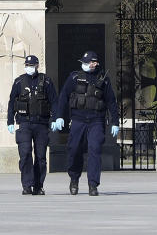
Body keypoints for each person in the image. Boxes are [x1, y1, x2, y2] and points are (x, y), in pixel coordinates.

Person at [53, 50, 119, 196]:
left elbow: (111, 101)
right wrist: (59, 116)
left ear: (95, 63)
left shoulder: (104, 79)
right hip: (78, 119)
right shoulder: (74, 77)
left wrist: (115, 121)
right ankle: (74, 178)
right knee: (74, 149)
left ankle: (93, 184)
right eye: (84, 62)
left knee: (94, 149)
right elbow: (63, 97)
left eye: (89, 62)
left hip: (96, 120)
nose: (86, 65)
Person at [7, 54, 58, 195]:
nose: (30, 68)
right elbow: (11, 102)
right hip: (24, 124)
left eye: (32, 65)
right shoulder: (19, 82)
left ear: (37, 66)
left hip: (41, 124)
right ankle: (27, 185)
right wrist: (10, 121)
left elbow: (54, 101)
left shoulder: (46, 81)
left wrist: (56, 118)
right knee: (25, 154)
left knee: (41, 157)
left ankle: (38, 185)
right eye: (27, 65)